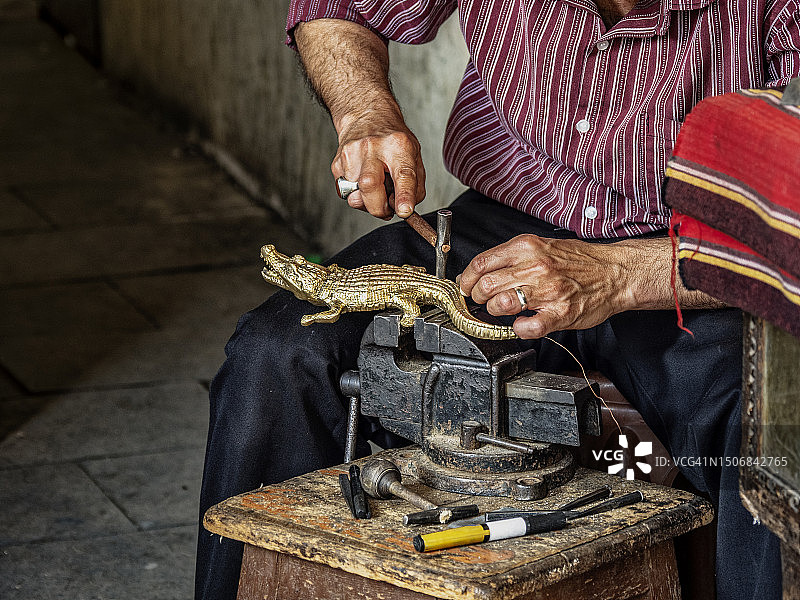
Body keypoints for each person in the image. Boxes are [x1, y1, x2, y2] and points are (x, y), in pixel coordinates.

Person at [196, 1, 800, 599]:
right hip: (500, 229)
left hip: (693, 255)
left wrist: (619, 275)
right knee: (277, 354)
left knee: (773, 431)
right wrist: (364, 113)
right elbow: (334, 10)